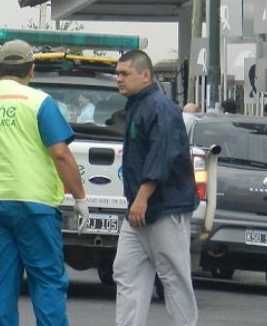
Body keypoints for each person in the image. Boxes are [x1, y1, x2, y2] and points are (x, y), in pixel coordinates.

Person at [0, 39, 88, 326]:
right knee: (47, 279)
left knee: (0, 281)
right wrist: (80, 198)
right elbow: (61, 154)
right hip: (35, 205)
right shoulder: (38, 102)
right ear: (31, 69)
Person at [113, 50, 199, 326]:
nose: (119, 79)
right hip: (140, 209)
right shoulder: (138, 105)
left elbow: (161, 155)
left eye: (125, 73)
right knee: (126, 271)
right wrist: (137, 202)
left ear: (145, 75)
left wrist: (141, 198)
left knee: (174, 277)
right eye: (117, 73)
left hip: (163, 207)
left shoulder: (160, 107)